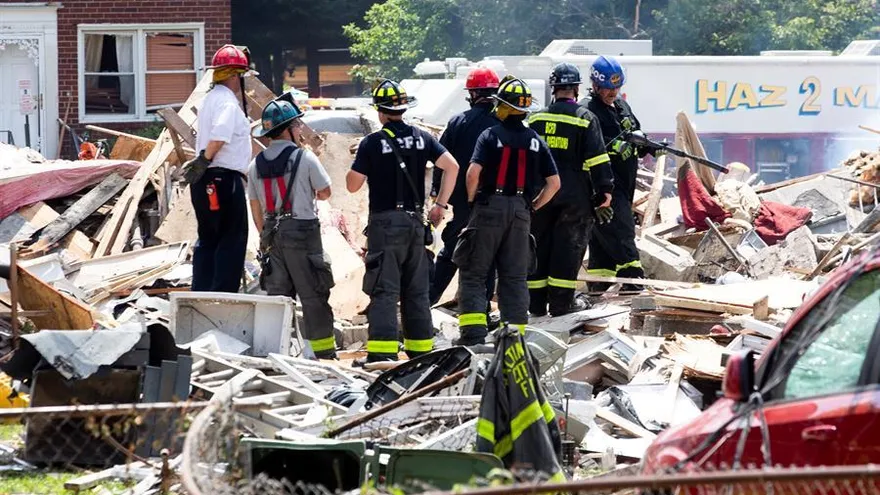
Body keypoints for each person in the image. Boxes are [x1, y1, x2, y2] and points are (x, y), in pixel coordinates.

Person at [346, 79, 459, 363]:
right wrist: (440, 205)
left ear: (380, 112)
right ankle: (421, 353)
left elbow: (352, 186)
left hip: (385, 226)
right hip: (415, 223)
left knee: (384, 290)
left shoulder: (371, 144)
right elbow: (452, 167)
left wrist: (358, 158)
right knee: (417, 290)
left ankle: (382, 357)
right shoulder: (423, 138)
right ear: (404, 109)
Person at [455, 76, 561, 345]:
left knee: (474, 271)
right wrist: (533, 206)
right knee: (514, 276)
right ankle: (514, 337)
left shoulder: (490, 135)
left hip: (489, 207)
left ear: (502, 105)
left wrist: (472, 201)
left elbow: (473, 173)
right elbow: (554, 183)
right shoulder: (536, 140)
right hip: (521, 213)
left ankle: (474, 335)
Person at [248, 98, 337, 360]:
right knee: (313, 295)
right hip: (303, 232)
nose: (300, 128)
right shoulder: (305, 157)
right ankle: (322, 355)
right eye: (297, 124)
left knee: (279, 300)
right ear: (288, 129)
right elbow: (325, 192)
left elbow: (255, 210)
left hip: (272, 235)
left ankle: (280, 355)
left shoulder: (255, 165)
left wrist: (266, 237)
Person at [526, 63, 614, 317]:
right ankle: (562, 305)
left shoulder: (536, 118)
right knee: (568, 248)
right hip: (575, 195)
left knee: (539, 246)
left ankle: (535, 305)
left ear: (553, 89)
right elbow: (598, 159)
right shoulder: (585, 118)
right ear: (576, 89)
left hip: (541, 194)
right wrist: (605, 191)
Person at [429, 67, 500, 315]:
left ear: (474, 93)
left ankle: (426, 300)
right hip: (492, 202)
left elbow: (441, 162)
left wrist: (439, 199)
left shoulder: (458, 122)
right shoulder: (501, 123)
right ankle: (480, 311)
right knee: (487, 258)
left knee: (451, 251)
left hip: (461, 203)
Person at [184, 44, 252, 293]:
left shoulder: (209, 100)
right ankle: (224, 299)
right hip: (223, 178)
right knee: (232, 240)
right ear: (234, 75)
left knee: (208, 239)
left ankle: (201, 294)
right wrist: (205, 158)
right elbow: (221, 134)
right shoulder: (227, 103)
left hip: (205, 180)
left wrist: (202, 163)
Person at [582, 55, 649, 290]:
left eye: (617, 87)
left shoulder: (622, 106)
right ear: (595, 85)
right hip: (605, 185)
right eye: (609, 89)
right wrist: (613, 146)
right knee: (622, 231)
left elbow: (634, 129)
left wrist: (647, 145)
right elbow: (588, 145)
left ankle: (599, 287)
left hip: (626, 183)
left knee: (601, 241)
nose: (613, 92)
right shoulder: (587, 110)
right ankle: (635, 283)